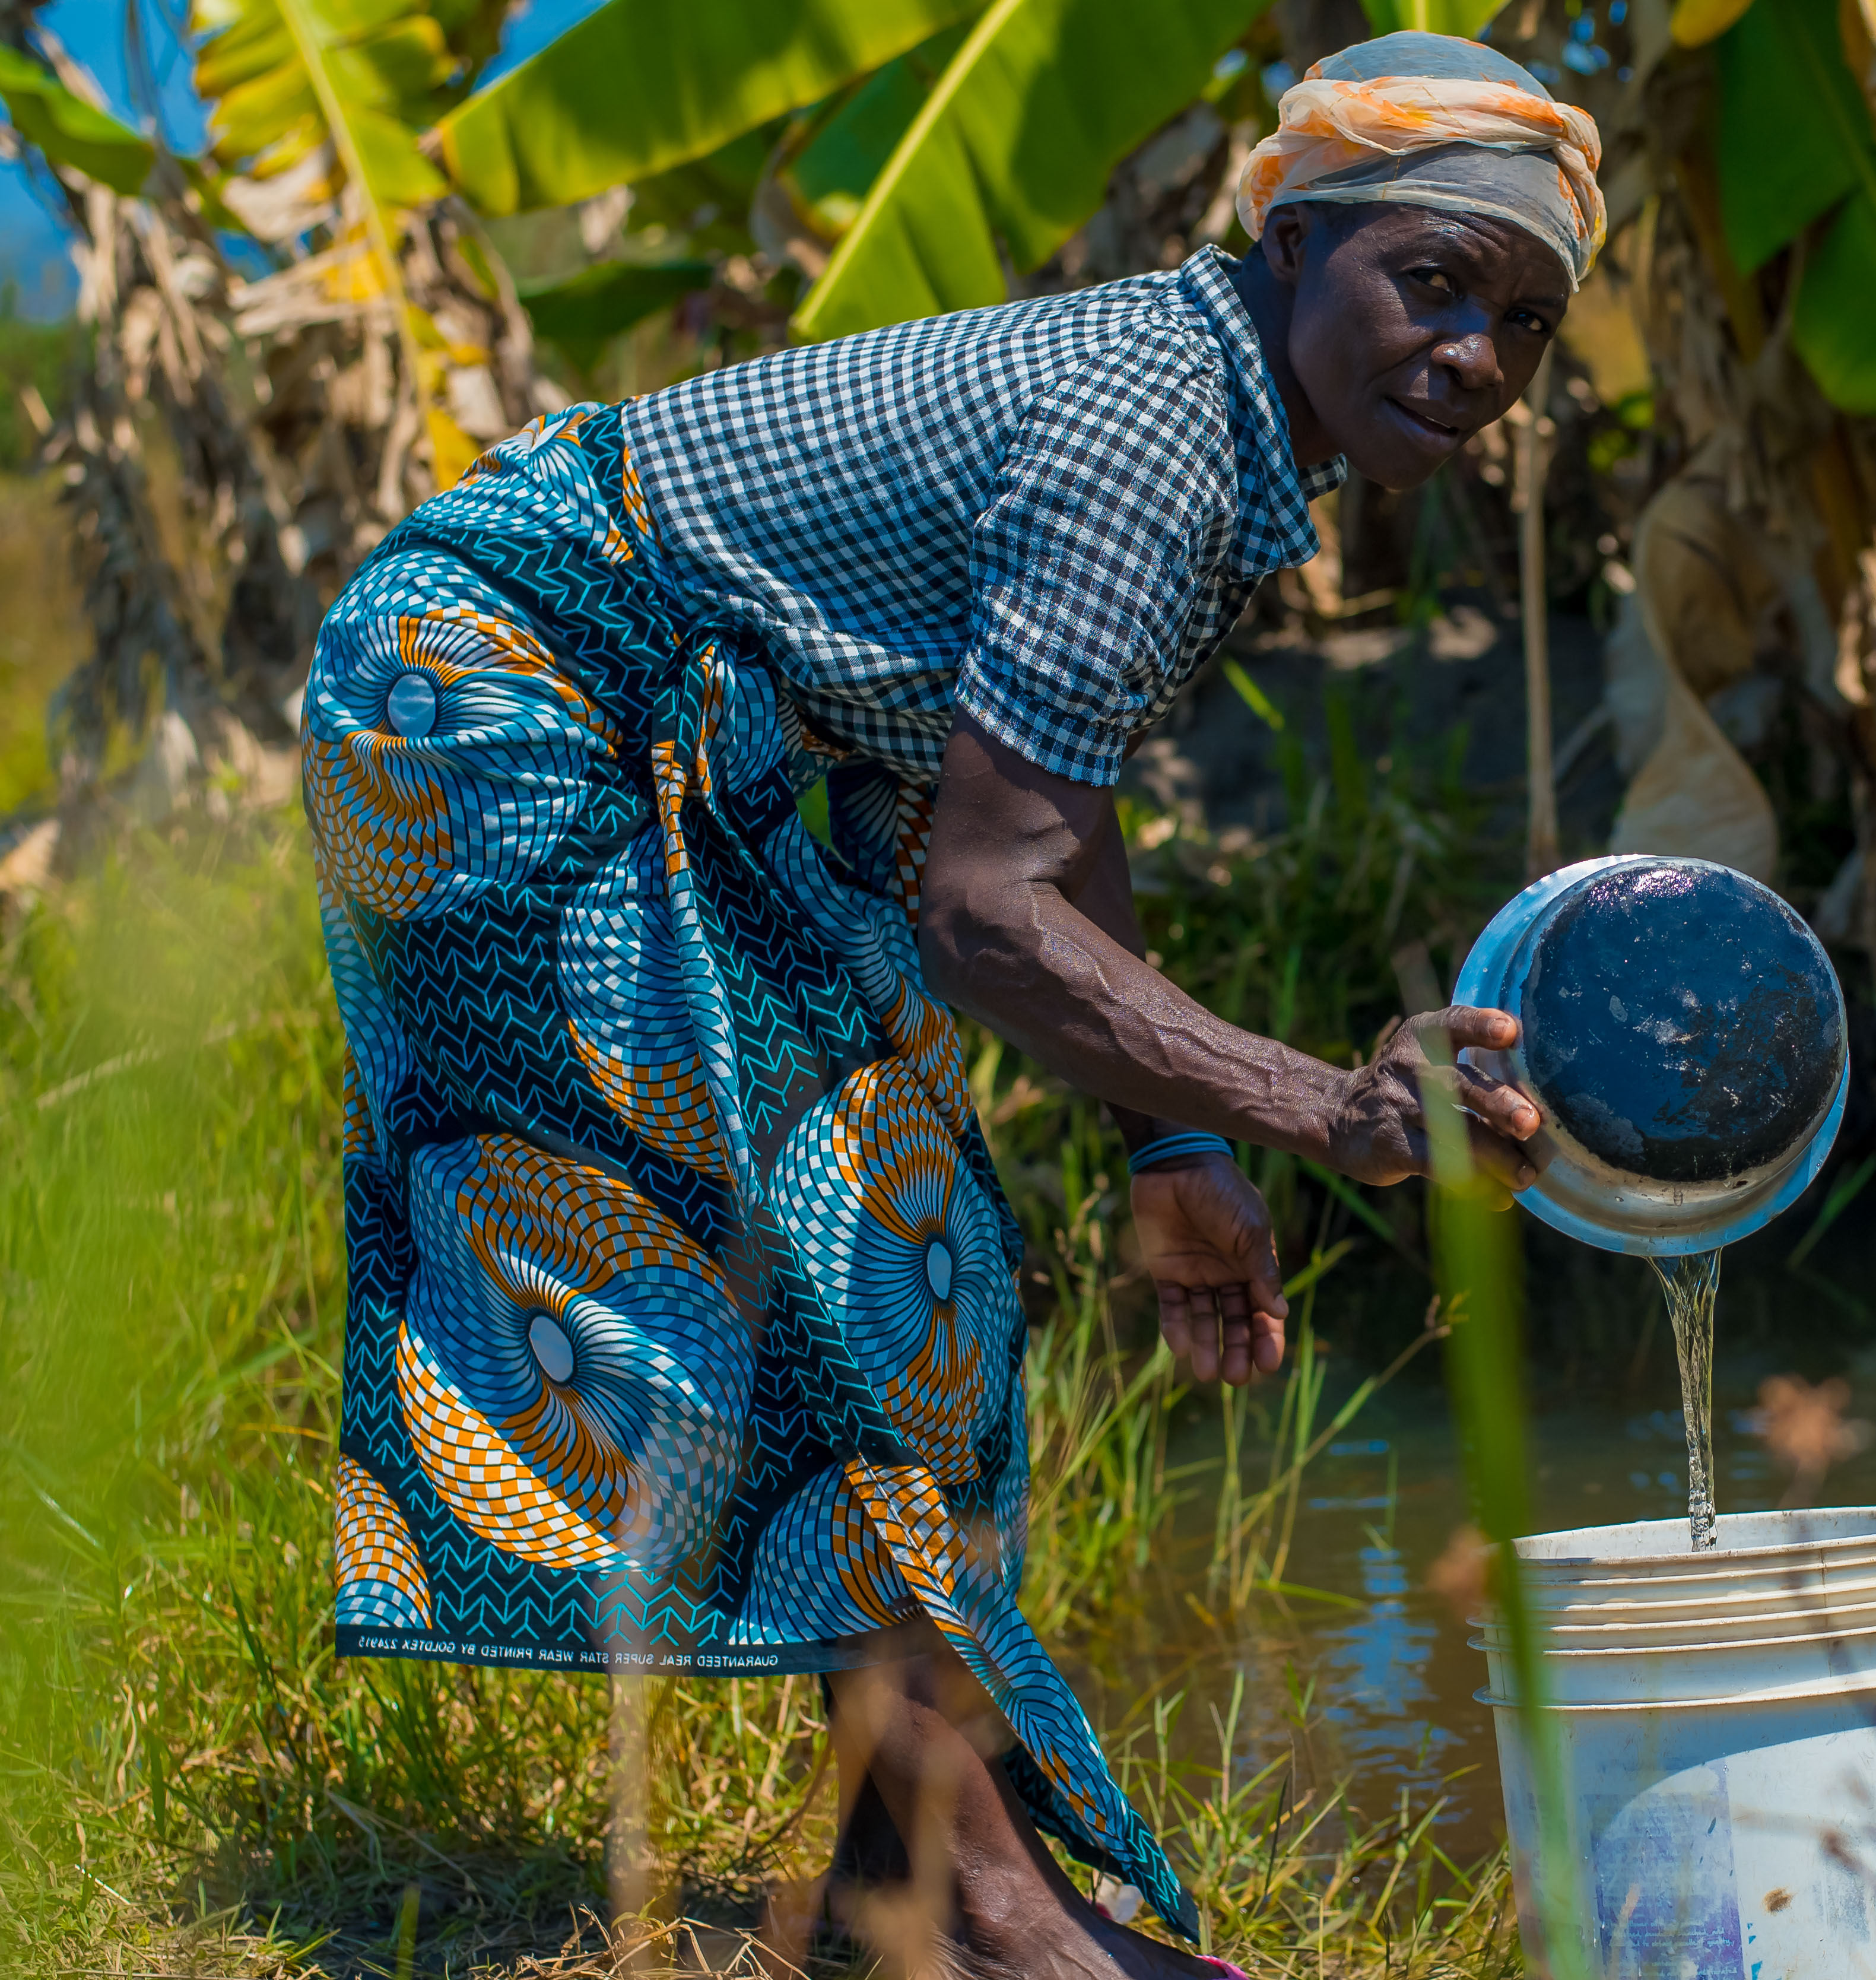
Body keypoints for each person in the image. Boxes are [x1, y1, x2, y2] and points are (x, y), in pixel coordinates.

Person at [300, 29, 1601, 1978]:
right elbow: (987, 920)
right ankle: (981, 1911)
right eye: (1434, 283)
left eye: (1524, 323)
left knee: (907, 1254)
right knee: (825, 1273)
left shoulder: (1213, 417)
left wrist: (1171, 1144)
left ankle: (897, 1884)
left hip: (656, 731)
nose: (1478, 360)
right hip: (498, 702)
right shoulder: (1161, 422)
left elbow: (1047, 815)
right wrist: (1321, 1107)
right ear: (1296, 242)